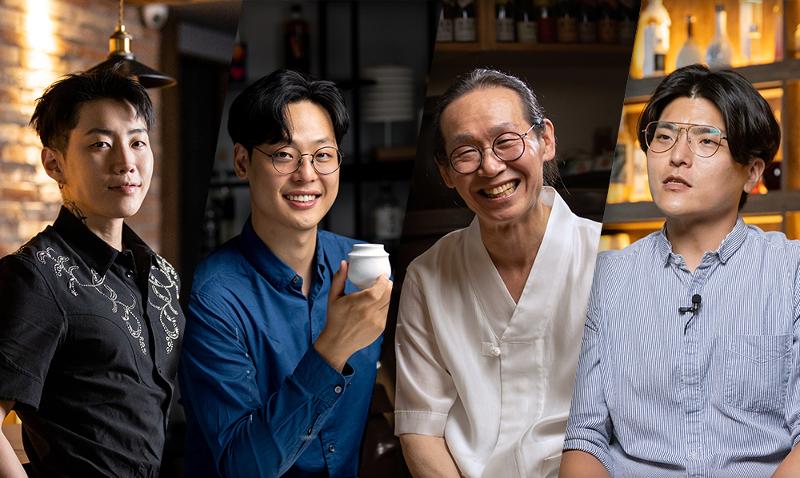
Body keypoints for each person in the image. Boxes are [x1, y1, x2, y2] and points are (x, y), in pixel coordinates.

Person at [561, 64, 800, 477]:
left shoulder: (789, 271)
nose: (676, 156)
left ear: (753, 173)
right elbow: (584, 436)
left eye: (706, 140)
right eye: (664, 136)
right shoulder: (606, 278)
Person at [179, 69, 392, 477]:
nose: (307, 174)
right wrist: (332, 349)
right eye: (284, 154)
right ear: (242, 161)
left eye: (323, 155)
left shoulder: (364, 266)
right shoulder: (211, 297)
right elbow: (243, 467)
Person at [394, 68, 601, 478]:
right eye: (466, 153)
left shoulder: (610, 259)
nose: (490, 167)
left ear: (546, 141)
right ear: (447, 172)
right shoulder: (427, 276)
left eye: (506, 142)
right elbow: (421, 430)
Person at [0, 68, 184, 476]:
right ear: (54, 163)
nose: (126, 162)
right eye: (100, 144)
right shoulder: (37, 276)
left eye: (137, 141)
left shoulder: (161, 276)